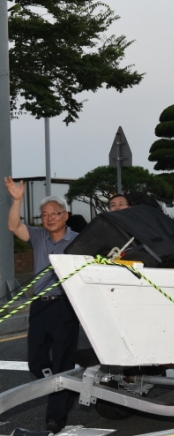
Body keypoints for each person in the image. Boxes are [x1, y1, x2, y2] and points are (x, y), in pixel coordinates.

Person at [4, 177, 79, 434]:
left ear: (65, 215)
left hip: (65, 307)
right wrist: (17, 200)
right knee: (36, 361)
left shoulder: (78, 241)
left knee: (61, 360)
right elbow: (13, 225)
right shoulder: (37, 236)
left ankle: (55, 418)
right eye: (44, 214)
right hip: (40, 305)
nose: (49, 218)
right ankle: (64, 388)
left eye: (54, 214)